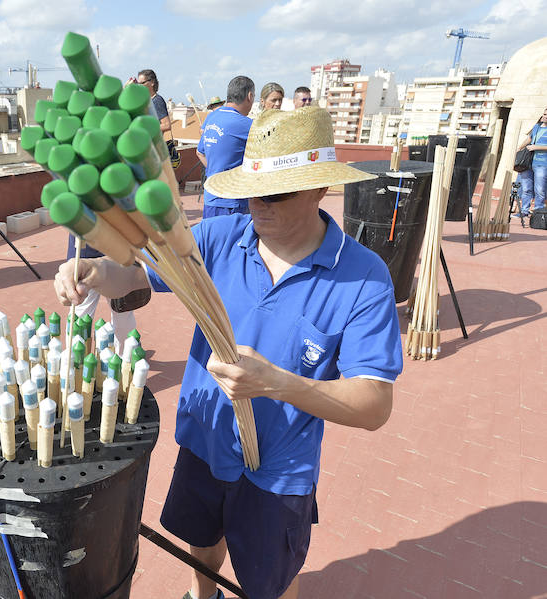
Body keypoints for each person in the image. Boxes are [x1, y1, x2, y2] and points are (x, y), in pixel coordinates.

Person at [54, 106, 403, 599]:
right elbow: (135, 277)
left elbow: (374, 405)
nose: (259, 205)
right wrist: (94, 272)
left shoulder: (363, 277)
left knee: (271, 581)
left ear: (319, 188)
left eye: (276, 193)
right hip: (206, 438)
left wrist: (277, 383)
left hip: (278, 471)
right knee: (201, 543)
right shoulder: (218, 239)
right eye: (251, 190)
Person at [196, 76, 255, 218]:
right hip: (232, 202)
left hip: (211, 197)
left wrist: (215, 174)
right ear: (250, 96)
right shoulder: (247, 125)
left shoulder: (211, 118)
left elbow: (200, 152)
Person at [515, 107, 547, 219]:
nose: (544, 116)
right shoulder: (536, 127)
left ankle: (537, 213)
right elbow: (529, 139)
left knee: (540, 190)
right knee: (526, 188)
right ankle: (524, 211)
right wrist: (519, 148)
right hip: (528, 162)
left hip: (542, 163)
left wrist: (536, 147)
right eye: (544, 114)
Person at [136, 69, 172, 134]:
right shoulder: (146, 101)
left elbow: (167, 125)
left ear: (152, 82)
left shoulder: (157, 100)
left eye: (142, 83)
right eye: (138, 84)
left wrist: (146, 128)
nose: (140, 86)